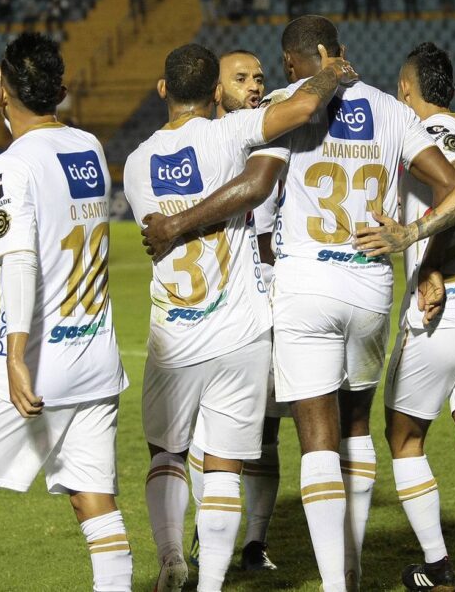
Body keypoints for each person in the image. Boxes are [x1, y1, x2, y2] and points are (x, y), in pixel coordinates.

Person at [140, 16, 455, 592]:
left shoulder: (288, 103)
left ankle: (337, 583)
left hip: (306, 284)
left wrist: (177, 221)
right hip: (371, 287)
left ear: (287, 64)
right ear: (342, 52)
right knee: (356, 429)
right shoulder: (392, 109)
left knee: (316, 440)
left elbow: (256, 185)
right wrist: (412, 233)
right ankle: (349, 569)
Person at [123, 42, 358, 592]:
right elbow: (298, 115)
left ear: (163, 90)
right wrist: (327, 74)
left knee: (166, 452)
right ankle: (211, 584)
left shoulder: (135, 163)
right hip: (239, 328)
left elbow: (157, 231)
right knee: (226, 464)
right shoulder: (233, 133)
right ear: (213, 93)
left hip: (173, 334)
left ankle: (171, 558)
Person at [0, 33, 132, 592]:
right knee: (95, 504)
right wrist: (11, 101)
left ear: (7, 94)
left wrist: (17, 356)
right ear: (61, 91)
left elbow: (20, 260)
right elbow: (42, 140)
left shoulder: (9, 165)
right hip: (96, 359)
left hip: (36, 362)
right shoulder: (90, 146)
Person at [356, 41, 455, 592]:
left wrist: (416, 241)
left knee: (402, 439)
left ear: (406, 90)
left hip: (443, 309)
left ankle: (440, 568)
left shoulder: (431, 135)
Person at [185, 49, 284, 573]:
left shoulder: (272, 137)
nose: (253, 85)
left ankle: (254, 541)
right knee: (208, 431)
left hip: (269, 297)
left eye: (259, 77)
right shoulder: (198, 143)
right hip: (209, 303)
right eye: (240, 78)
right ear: (215, 90)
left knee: (265, 431)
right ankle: (207, 534)